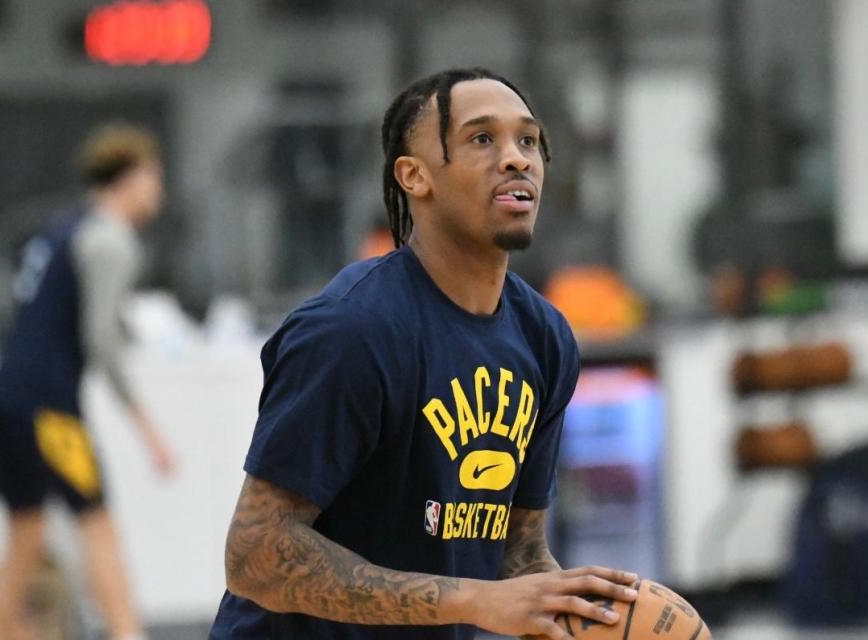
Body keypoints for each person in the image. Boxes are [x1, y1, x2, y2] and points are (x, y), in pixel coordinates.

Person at [209, 67, 638, 640]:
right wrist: (476, 601)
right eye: (482, 139)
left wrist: (586, 617)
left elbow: (520, 556)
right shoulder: (350, 331)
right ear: (414, 177)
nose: (516, 159)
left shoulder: (544, 338)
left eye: (528, 140)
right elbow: (256, 555)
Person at [0, 123, 176, 640]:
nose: (157, 191)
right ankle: (126, 632)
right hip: (51, 410)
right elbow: (100, 340)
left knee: (26, 532)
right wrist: (149, 430)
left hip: (8, 398)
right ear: (130, 178)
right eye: (153, 178)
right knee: (98, 525)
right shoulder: (111, 241)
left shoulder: (61, 229)